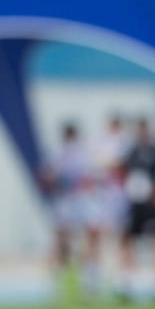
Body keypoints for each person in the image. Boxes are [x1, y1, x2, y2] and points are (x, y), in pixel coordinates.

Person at [40, 122, 110, 299]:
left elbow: (96, 176)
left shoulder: (79, 153)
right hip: (70, 199)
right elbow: (48, 177)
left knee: (86, 237)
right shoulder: (62, 153)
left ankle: (86, 281)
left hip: (79, 199)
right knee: (66, 239)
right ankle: (66, 282)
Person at [116, 117, 155, 300]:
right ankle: (127, 283)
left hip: (150, 203)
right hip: (134, 202)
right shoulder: (132, 151)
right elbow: (123, 171)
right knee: (128, 239)